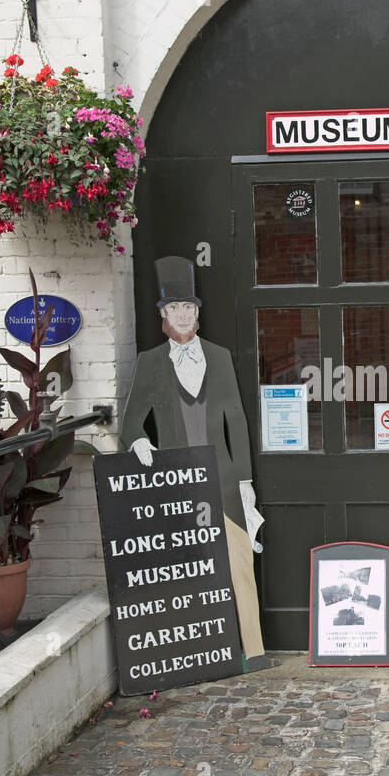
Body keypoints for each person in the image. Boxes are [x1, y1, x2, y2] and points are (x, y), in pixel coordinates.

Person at [120, 255, 267, 667]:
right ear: (163, 315)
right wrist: (139, 445)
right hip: (177, 481)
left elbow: (236, 420)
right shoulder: (151, 363)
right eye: (174, 309)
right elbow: (130, 423)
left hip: (223, 478)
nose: (182, 315)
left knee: (240, 565)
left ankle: (253, 651)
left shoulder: (219, 357)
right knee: (188, 572)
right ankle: (194, 655)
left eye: (189, 308)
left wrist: (244, 480)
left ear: (197, 312)